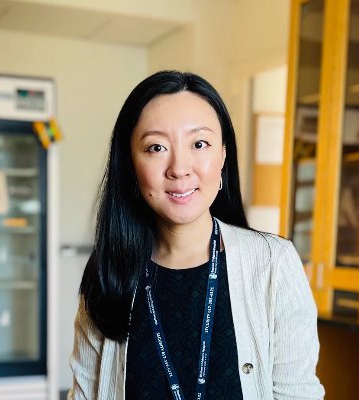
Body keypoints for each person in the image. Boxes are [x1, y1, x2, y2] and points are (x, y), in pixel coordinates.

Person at [68, 70, 325, 400]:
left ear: (222, 156)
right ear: (131, 166)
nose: (179, 168)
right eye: (156, 147)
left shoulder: (273, 265)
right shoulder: (108, 273)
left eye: (199, 144)